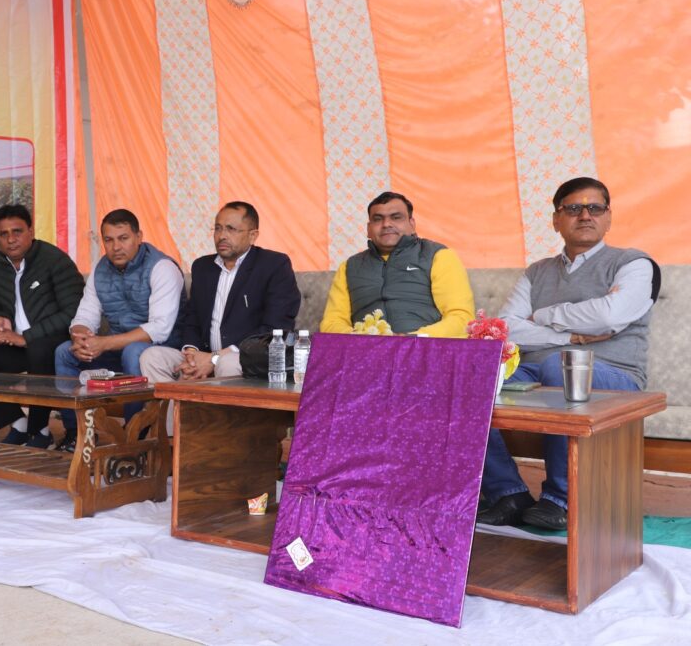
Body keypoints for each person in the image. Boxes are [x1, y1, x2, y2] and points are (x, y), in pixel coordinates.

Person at [478, 177, 660, 530]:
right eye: (574, 208)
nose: (585, 215)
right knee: (469, 383)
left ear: (608, 217)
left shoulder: (633, 263)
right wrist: (574, 335)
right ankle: (507, 493)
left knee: (559, 367)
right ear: (556, 220)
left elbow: (609, 316)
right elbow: (507, 328)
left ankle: (561, 498)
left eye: (595, 208)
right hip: (533, 371)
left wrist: (544, 315)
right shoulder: (537, 272)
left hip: (614, 375)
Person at [54, 209, 185, 451]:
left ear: (139, 237)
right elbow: (85, 315)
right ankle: (78, 435)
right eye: (109, 239)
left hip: (163, 349)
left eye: (123, 238)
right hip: (117, 348)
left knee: (134, 351)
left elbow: (160, 329)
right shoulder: (100, 269)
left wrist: (103, 343)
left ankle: (134, 437)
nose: (116, 247)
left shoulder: (162, 267)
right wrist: (81, 337)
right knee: (65, 352)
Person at [140, 201, 300, 388]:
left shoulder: (274, 265)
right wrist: (191, 354)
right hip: (203, 354)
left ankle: (217, 409)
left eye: (231, 229)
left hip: (245, 356)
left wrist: (215, 358)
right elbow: (192, 319)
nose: (222, 236)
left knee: (227, 363)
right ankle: (175, 408)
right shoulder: (202, 267)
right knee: (152, 357)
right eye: (218, 228)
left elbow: (274, 328)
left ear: (253, 236)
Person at [0, 204, 84, 448]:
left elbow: (74, 312)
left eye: (17, 231)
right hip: (15, 346)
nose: (11, 239)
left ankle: (40, 431)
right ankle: (18, 424)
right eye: (3, 234)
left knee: (39, 349)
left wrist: (27, 337)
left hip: (52, 343)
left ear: (31, 231)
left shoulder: (55, 260)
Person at [320, 191, 474, 337]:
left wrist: (413, 339)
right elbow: (331, 323)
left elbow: (461, 318)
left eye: (396, 217)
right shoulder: (349, 267)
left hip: (425, 348)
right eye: (378, 219)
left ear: (412, 224)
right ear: (368, 229)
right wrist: (361, 338)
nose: (386, 224)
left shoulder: (438, 256)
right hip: (365, 350)